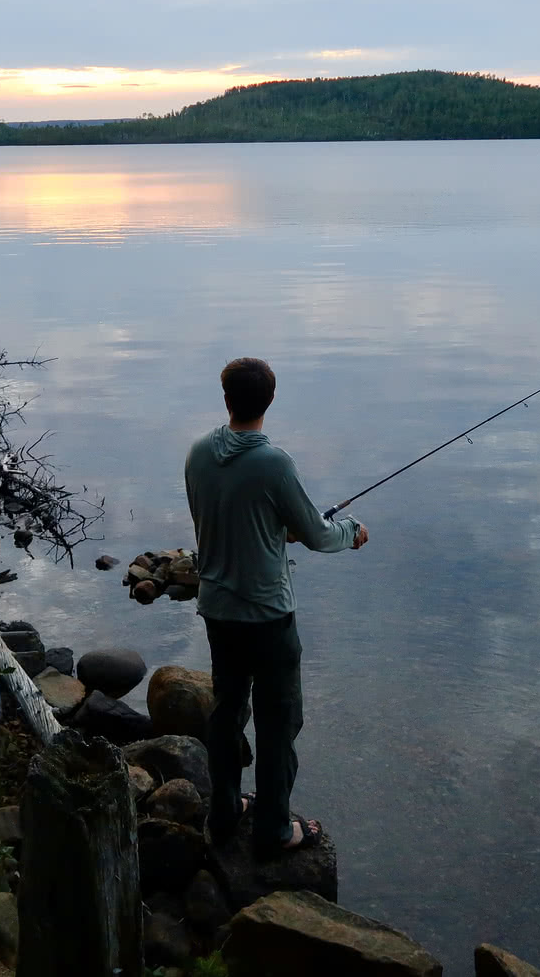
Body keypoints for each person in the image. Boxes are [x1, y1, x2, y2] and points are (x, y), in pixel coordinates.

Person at [184, 356, 368, 858]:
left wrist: (273, 527)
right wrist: (352, 532)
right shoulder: (274, 463)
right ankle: (272, 827)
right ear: (270, 400)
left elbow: (223, 517)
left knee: (227, 711)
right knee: (278, 718)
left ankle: (224, 810)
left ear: (226, 399)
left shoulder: (198, 453)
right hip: (267, 616)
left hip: (217, 610)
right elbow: (315, 533)